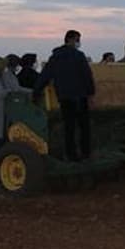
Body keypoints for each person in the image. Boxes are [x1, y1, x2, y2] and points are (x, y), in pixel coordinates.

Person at [33, 30, 96, 162]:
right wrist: (91, 94)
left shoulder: (56, 57)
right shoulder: (79, 56)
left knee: (69, 127)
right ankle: (86, 153)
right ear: (70, 39)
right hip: (81, 96)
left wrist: (36, 91)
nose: (79, 42)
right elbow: (87, 76)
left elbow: (45, 75)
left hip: (65, 97)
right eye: (77, 39)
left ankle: (71, 155)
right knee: (84, 126)